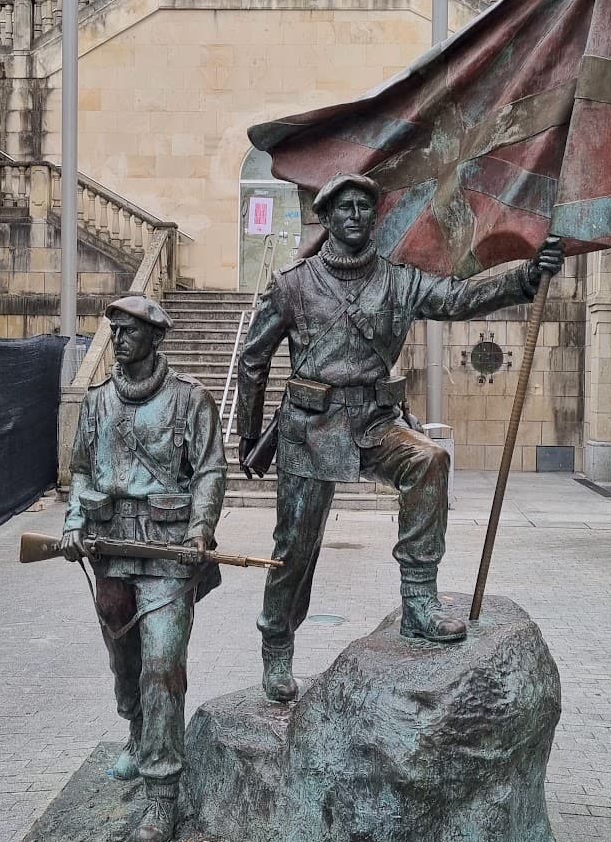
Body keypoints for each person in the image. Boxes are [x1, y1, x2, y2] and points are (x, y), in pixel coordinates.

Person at [237, 173, 563, 702]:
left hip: (374, 424)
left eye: (365, 207)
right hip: (310, 431)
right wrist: (249, 433)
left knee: (429, 461)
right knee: (295, 547)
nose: (355, 215)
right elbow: (253, 359)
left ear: (375, 218)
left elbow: (457, 298)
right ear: (326, 216)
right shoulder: (293, 285)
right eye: (344, 207)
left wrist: (525, 277)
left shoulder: (399, 281)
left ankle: (419, 602)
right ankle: (277, 643)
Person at [61, 294, 226, 842]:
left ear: (157, 337)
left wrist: (202, 530)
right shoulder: (99, 401)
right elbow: (81, 469)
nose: (120, 338)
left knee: (162, 666)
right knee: (123, 656)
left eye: (130, 329)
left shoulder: (190, 400)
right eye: (115, 329)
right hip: (110, 549)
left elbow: (209, 470)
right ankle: (134, 730)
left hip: (168, 552)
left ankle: (163, 794)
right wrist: (73, 519)